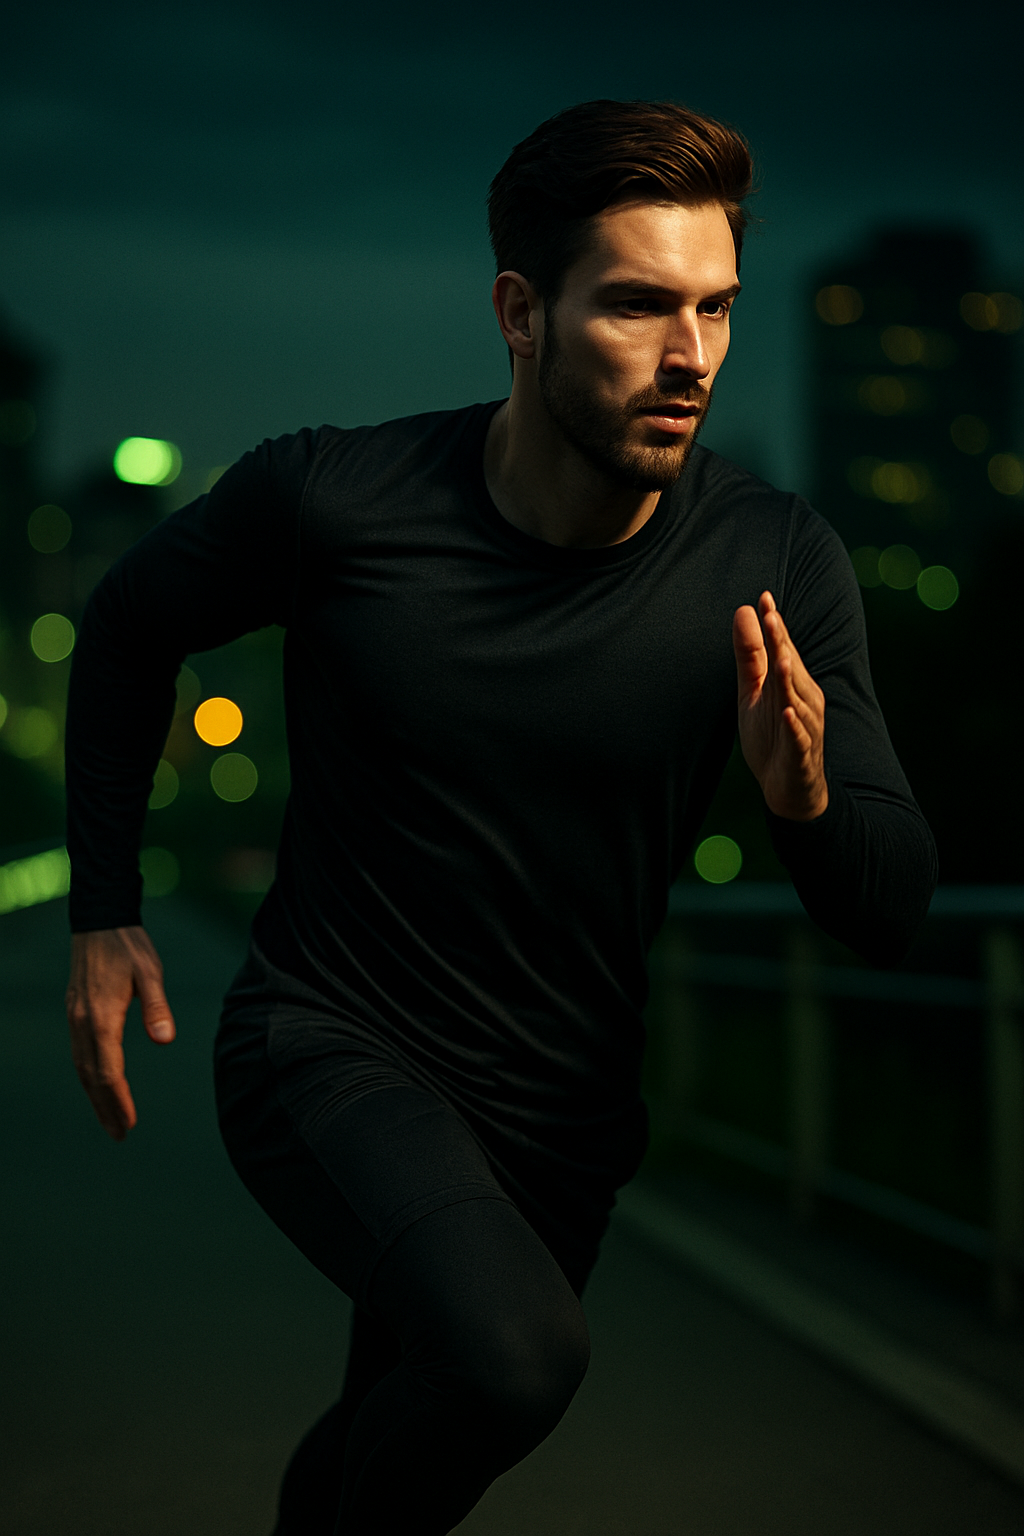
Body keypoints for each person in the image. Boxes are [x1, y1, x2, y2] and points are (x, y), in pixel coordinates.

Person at [63, 99, 938, 1534]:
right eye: (642, 307)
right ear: (520, 312)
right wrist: (106, 909)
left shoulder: (773, 560)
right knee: (513, 1360)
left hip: (560, 1120)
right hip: (325, 1042)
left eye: (718, 307)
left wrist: (808, 795)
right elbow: (125, 627)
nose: (693, 358)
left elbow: (891, 912)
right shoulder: (338, 500)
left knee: (401, 1439)